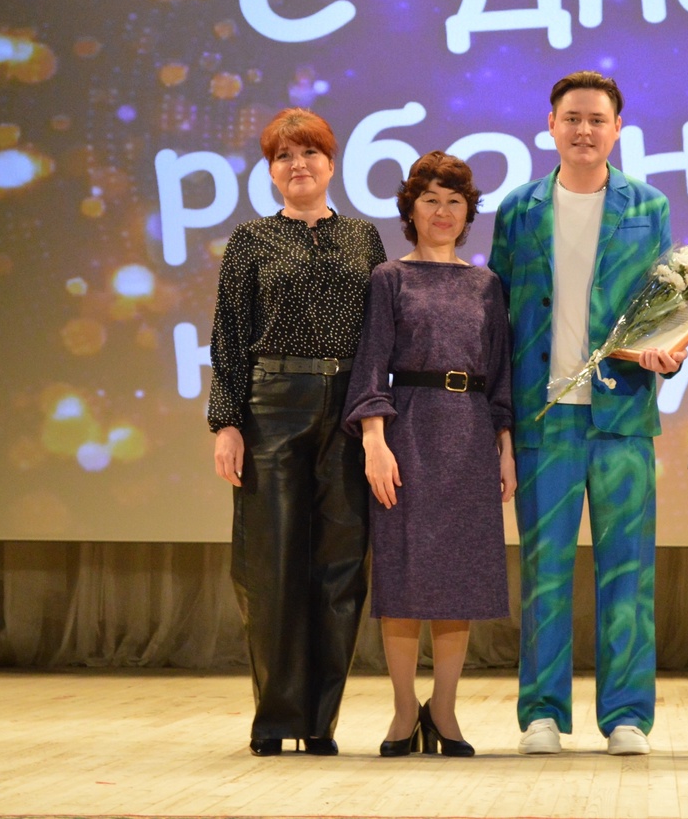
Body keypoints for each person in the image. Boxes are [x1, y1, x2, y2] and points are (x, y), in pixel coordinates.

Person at [489, 71, 683, 757]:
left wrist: (667, 352)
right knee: (544, 572)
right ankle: (541, 714)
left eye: (597, 119)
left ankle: (627, 715)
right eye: (572, 118)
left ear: (617, 129)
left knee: (627, 572)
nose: (583, 130)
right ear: (551, 125)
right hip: (544, 419)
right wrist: (500, 422)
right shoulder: (518, 209)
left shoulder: (648, 206)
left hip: (621, 416)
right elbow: (496, 318)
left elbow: (666, 305)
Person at [208, 107, 386, 757]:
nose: (297, 165)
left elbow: (378, 339)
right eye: (283, 156)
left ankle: (319, 723)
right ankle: (275, 717)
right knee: (271, 566)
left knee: (340, 568)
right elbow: (228, 336)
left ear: (331, 163)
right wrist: (227, 422)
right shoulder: (251, 240)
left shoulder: (364, 238)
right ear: (270, 171)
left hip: (347, 409)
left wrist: (375, 422)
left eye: (309, 152)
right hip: (272, 407)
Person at [343, 151, 515, 758]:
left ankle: (443, 711)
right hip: (407, 434)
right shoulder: (389, 277)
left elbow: (501, 377)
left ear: (468, 213)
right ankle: (401, 711)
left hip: (470, 435)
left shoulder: (487, 285)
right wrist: (374, 442)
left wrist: (505, 449)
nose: (442, 212)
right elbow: (370, 366)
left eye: (454, 202)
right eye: (430, 200)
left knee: (457, 580)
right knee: (403, 574)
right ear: (410, 210)